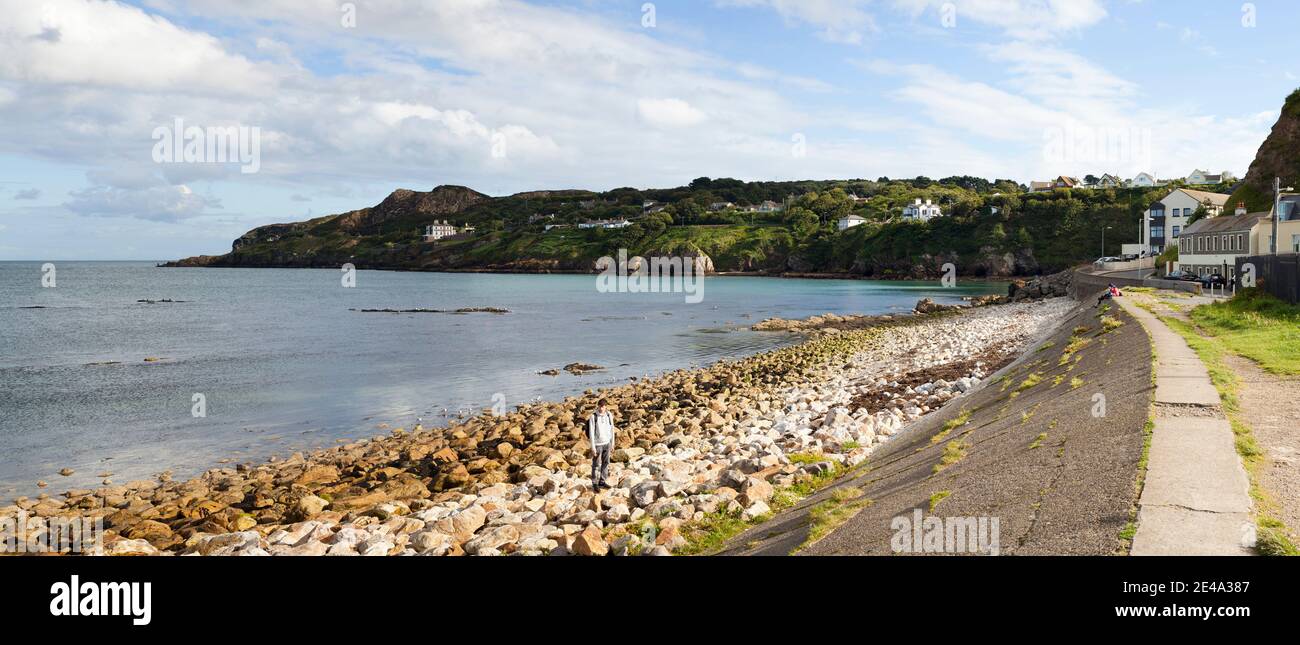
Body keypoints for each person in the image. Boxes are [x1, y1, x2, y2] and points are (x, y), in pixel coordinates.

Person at [586, 399, 616, 490]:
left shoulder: (609, 415)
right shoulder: (593, 417)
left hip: (607, 443)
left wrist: (612, 442)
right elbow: (591, 432)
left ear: (606, 406)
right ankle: (594, 483)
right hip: (598, 444)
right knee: (596, 464)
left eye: (603, 406)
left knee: (606, 463)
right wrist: (593, 447)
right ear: (598, 406)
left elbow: (612, 429)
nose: (601, 408)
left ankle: (602, 481)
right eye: (600, 406)